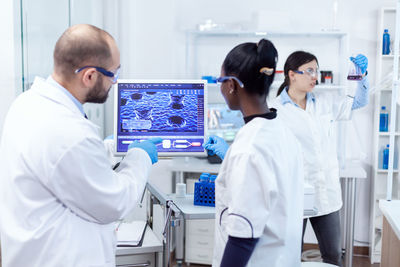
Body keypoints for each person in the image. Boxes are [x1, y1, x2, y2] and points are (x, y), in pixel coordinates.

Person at [0, 24, 161, 267]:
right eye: (113, 74)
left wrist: (103, 149)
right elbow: (114, 202)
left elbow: (60, 168)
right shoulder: (70, 133)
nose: (115, 83)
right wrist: (140, 157)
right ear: (89, 76)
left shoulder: (27, 103)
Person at [203, 39, 305, 267]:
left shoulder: (249, 148)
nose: (221, 88)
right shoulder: (282, 131)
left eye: (221, 81)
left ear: (231, 85)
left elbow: (242, 239)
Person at [272, 51, 369, 266]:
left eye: (315, 71)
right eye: (308, 71)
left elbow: (359, 103)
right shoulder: (276, 111)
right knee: (290, 256)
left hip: (327, 193)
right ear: (292, 75)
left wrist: (362, 76)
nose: (314, 76)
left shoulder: (324, 103)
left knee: (333, 256)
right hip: (294, 194)